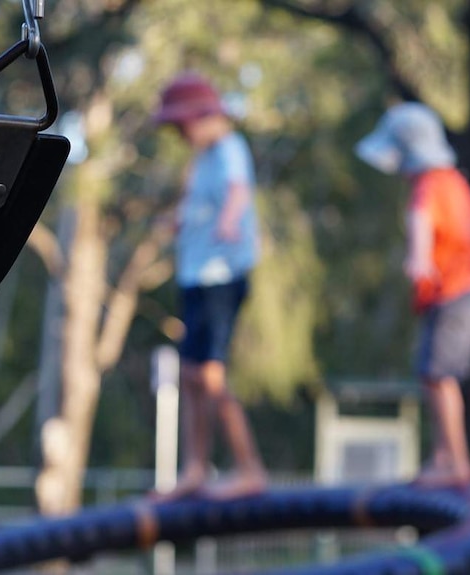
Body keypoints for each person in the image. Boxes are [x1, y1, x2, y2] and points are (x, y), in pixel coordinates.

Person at [355, 102, 470, 488]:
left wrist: (418, 258)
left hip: (455, 295)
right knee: (431, 375)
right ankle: (442, 456)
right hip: (462, 296)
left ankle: (457, 464)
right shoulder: (453, 179)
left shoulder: (427, 186)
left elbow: (420, 221)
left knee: (438, 376)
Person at [151, 72, 267, 500]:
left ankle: (249, 468)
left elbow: (238, 192)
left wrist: (230, 219)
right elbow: (193, 206)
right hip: (195, 274)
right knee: (190, 374)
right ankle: (195, 468)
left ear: (203, 118)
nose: (180, 136)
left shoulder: (230, 149)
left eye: (182, 127)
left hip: (222, 275)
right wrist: (176, 222)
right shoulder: (199, 161)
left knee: (211, 374)